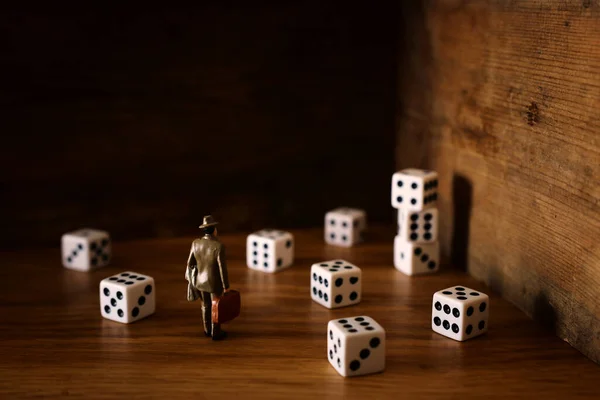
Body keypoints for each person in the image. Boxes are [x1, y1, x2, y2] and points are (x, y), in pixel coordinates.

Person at [185, 215, 229, 340]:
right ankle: (216, 332)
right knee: (216, 307)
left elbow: (190, 263)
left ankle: (206, 329)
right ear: (214, 230)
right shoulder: (218, 246)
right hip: (214, 283)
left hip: (200, 282)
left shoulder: (195, 244)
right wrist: (226, 286)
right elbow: (222, 269)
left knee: (205, 306)